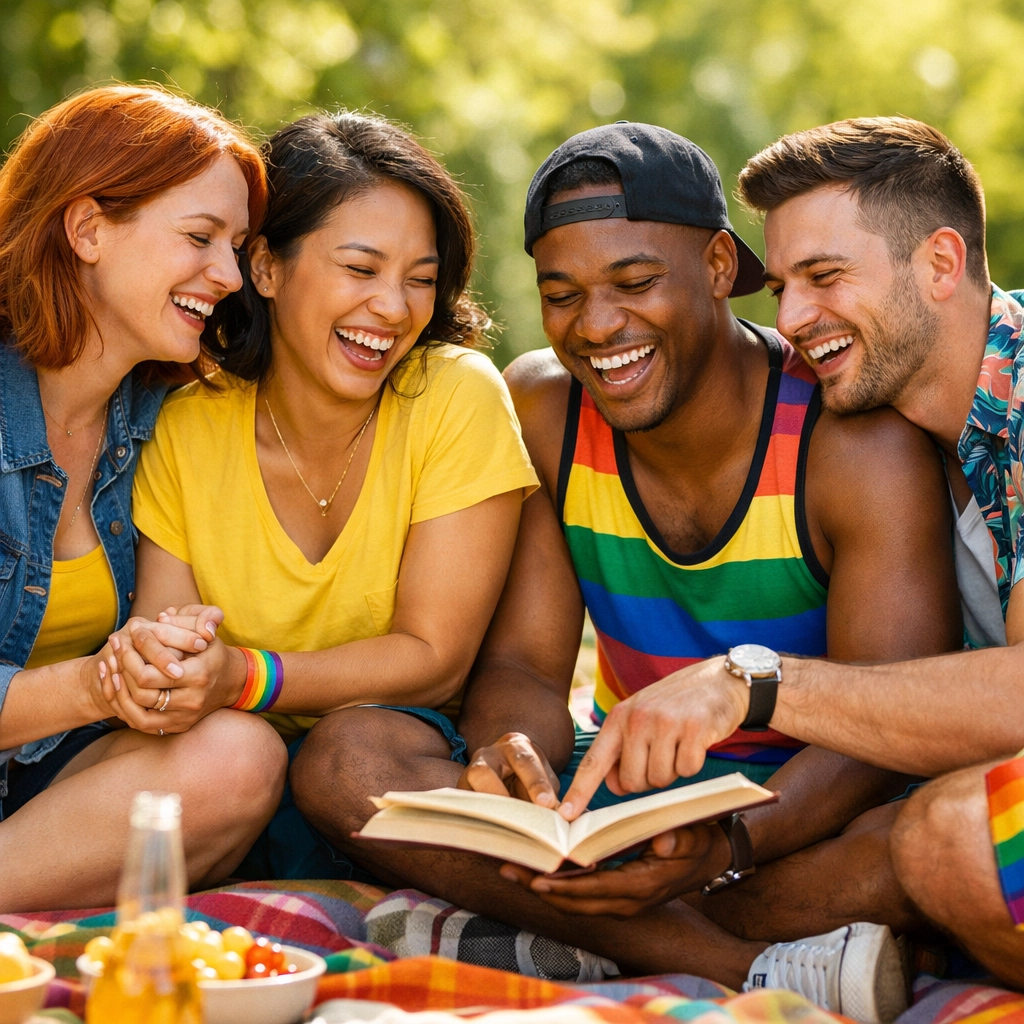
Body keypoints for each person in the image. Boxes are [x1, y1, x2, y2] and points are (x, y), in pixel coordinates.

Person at [246, 123, 959, 1020]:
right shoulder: (545, 406)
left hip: (800, 811)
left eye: (634, 283)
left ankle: (564, 934)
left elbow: (879, 727)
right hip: (633, 798)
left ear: (713, 266)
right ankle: (749, 967)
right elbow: (526, 669)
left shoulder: (850, 439)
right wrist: (517, 771)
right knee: (347, 760)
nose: (597, 325)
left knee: (915, 844)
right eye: (562, 294)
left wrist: (729, 840)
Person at [557, 118, 1024, 988]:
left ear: (941, 264)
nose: (795, 318)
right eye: (783, 287)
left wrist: (754, 679)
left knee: (948, 834)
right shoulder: (929, 433)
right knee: (894, 839)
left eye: (826, 277)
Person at [101, 111, 538, 879]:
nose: (395, 308)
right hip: (236, 779)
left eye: (421, 280)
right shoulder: (184, 425)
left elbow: (434, 660)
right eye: (361, 269)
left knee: (343, 756)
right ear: (265, 269)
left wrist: (245, 676)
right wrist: (163, 667)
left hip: (390, 774)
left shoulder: (452, 397)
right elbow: (169, 638)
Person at [0, 85, 287, 913]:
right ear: (86, 229)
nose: (230, 276)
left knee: (242, 756)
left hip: (41, 793)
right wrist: (101, 684)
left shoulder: (162, 420)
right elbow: (98, 687)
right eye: (199, 238)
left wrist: (172, 664)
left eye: (236, 246)